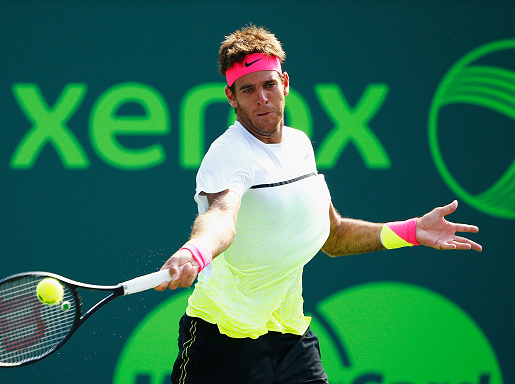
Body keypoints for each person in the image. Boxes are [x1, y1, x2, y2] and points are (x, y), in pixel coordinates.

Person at [155, 25, 482, 384]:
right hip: (221, 343)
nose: (261, 98)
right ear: (231, 97)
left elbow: (334, 237)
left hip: (290, 335)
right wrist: (196, 250)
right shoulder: (228, 154)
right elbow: (221, 217)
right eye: (247, 90)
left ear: (285, 84)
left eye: (269, 85)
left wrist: (412, 231)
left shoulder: (299, 146)